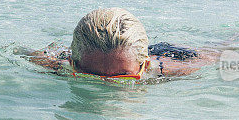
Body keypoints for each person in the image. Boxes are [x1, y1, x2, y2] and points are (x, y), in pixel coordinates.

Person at [26, 8, 219, 81]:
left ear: (145, 66)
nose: (107, 84)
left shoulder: (170, 71)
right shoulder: (62, 67)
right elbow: (22, 53)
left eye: (122, 77)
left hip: (162, 52)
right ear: (72, 63)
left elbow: (217, 58)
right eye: (92, 76)